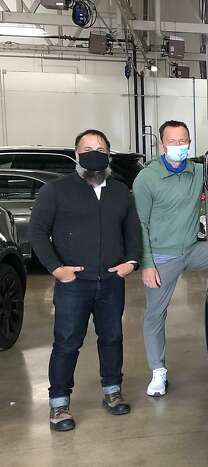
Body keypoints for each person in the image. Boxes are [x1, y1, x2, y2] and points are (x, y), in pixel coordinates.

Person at [30, 129, 142, 432]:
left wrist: (131, 262)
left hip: (110, 281)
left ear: (108, 154)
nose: (94, 152)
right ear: (76, 153)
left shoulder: (120, 191)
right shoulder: (56, 191)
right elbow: (37, 232)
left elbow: (132, 230)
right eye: (87, 147)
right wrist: (56, 269)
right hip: (73, 284)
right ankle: (58, 404)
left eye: (101, 148)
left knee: (112, 338)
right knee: (67, 343)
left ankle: (112, 391)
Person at [133, 120, 208, 397]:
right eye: (172, 142)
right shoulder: (147, 179)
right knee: (154, 315)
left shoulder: (198, 171)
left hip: (191, 249)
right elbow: (140, 225)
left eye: (183, 141)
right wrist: (147, 264)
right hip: (162, 256)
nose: (178, 146)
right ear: (162, 145)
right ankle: (158, 372)